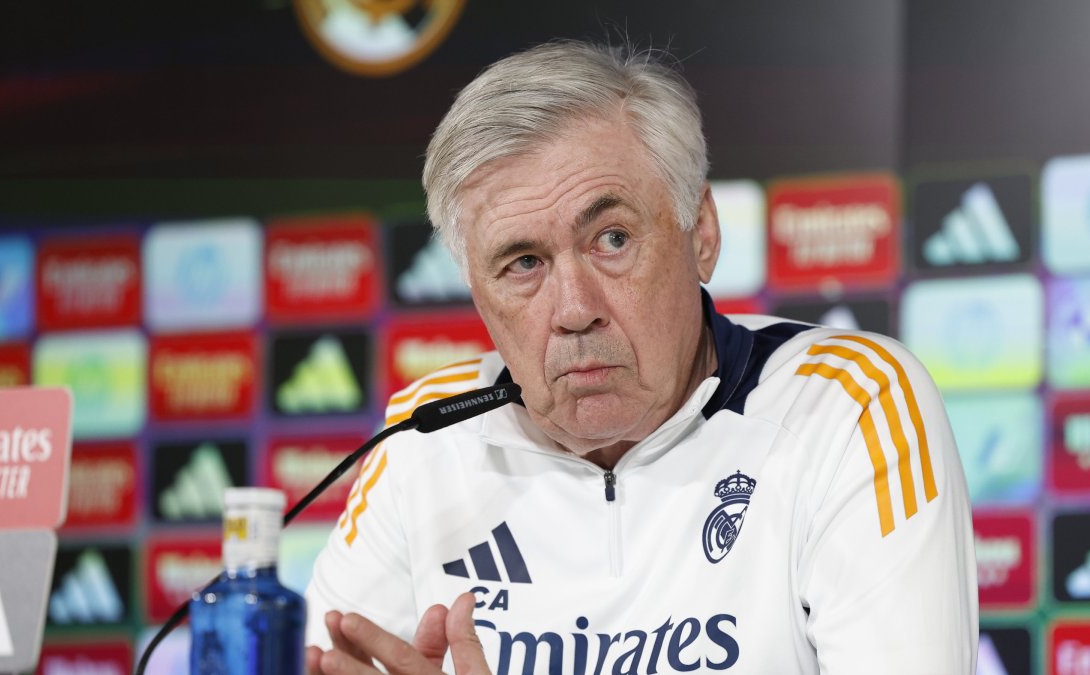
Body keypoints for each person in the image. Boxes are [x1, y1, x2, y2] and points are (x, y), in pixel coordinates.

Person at [305, 39, 977, 675]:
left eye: (613, 237)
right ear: (477, 293)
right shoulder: (426, 439)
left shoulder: (848, 406)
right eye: (523, 262)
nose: (574, 307)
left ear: (702, 233)